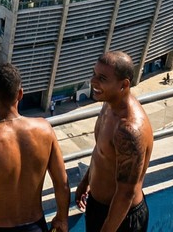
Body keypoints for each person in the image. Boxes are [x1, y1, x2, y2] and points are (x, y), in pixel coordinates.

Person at [0, 62, 67, 232]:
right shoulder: (45, 129)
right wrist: (62, 218)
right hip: (36, 226)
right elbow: (62, 184)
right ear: (20, 94)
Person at [73, 52, 151, 232]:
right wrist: (86, 182)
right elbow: (101, 149)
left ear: (124, 85)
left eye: (102, 78)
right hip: (98, 207)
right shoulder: (109, 104)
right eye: (93, 73)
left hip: (120, 219)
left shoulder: (129, 131)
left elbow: (126, 193)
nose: (93, 81)